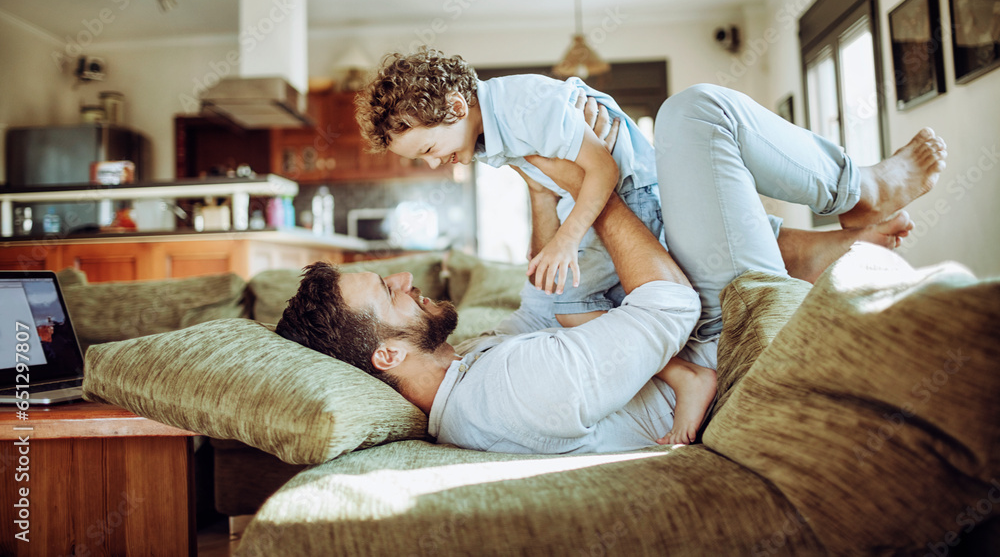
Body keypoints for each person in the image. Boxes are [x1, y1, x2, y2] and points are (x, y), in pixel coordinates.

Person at [276, 83, 947, 452]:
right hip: (721, 334)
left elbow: (551, 300)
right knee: (695, 113)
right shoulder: (504, 392)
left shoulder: (471, 371)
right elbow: (670, 306)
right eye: (384, 291)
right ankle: (859, 187)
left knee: (666, 180)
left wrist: (545, 189)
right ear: (388, 356)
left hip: (692, 324)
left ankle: (807, 246)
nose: (400, 278)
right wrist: (592, 179)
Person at [355, 47, 719, 441]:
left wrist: (566, 237)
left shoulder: (519, 112)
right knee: (573, 305)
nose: (432, 164)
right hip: (614, 206)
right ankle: (686, 376)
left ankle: (687, 376)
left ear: (458, 106)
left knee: (574, 306)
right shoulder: (494, 396)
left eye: (427, 150)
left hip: (634, 191)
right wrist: (553, 207)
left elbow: (603, 168)